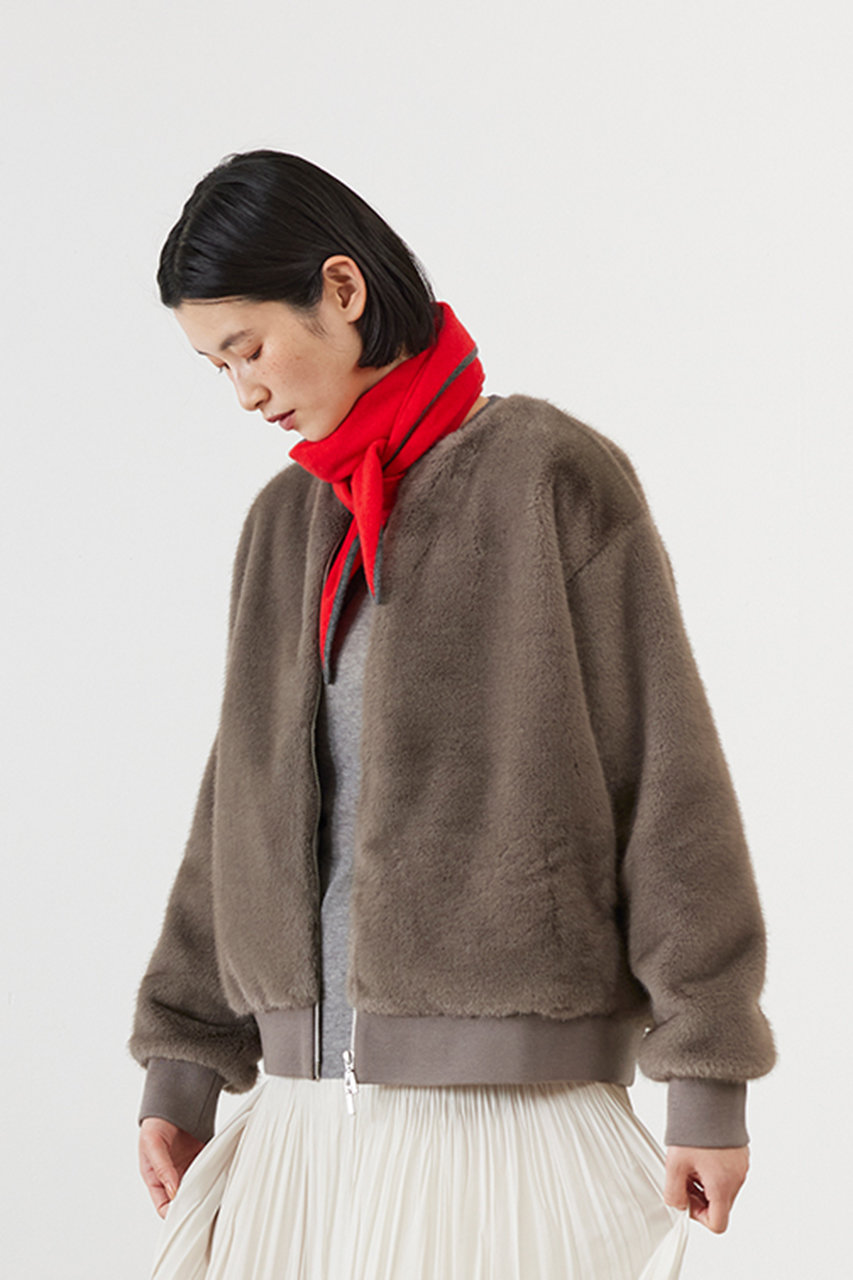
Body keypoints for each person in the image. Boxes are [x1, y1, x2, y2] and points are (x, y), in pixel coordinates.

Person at [128, 149, 777, 1279]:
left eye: (248, 347)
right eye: (214, 366)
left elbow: (669, 787)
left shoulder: (551, 476)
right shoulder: (287, 523)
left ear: (340, 289)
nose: (244, 393)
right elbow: (235, 810)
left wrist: (705, 1080)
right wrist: (182, 1066)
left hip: (512, 1121)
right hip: (303, 1129)